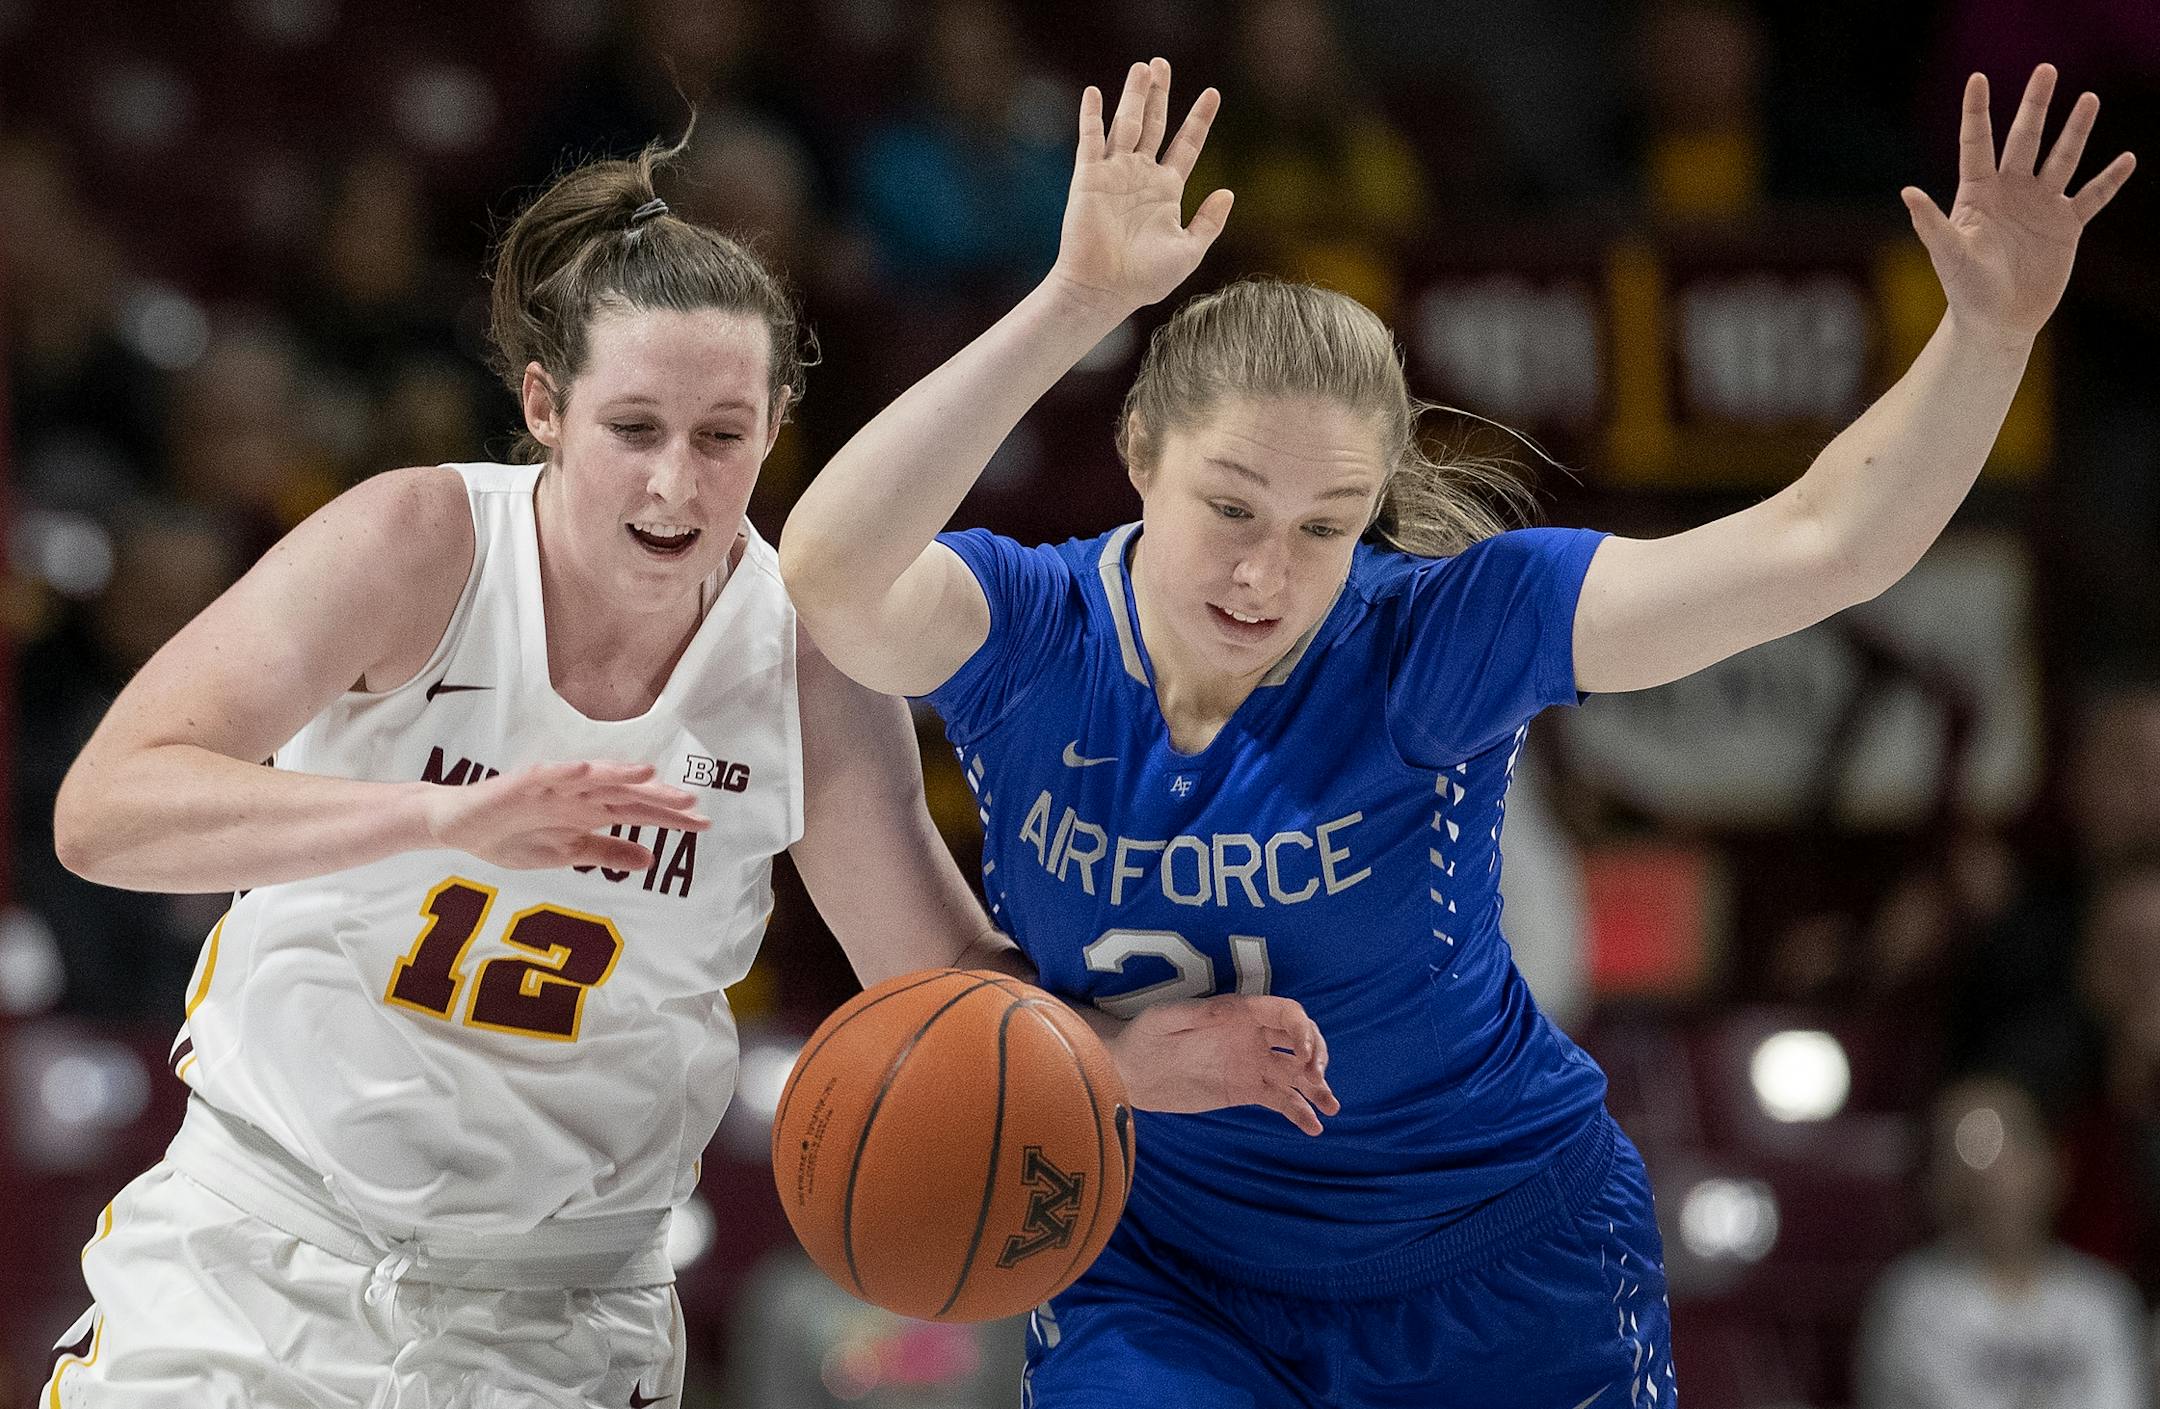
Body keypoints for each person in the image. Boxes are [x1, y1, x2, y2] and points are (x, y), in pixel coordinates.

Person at [779, 58, 2134, 1408]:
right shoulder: (1034, 629)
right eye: (1232, 506)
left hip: (1498, 1274)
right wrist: (1075, 299)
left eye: (1324, 526)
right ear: (1140, 449)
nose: (1266, 572)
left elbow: (1821, 544)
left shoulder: (1435, 638)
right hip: (1169, 1271)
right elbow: (829, 572)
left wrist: (1990, 338)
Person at [39, 140, 1319, 1408]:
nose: (675, 481)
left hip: (565, 1321)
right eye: (633, 427)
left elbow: (938, 980)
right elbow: (107, 810)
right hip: (263, 1256)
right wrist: (446, 813)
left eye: (722, 435)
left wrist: (1130, 1053)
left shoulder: (801, 653)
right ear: (544, 406)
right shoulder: (416, 542)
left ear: (774, 427)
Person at [1855, 1076, 2149, 1409]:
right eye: (1959, 1149)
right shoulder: (1914, 1301)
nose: (1985, 1173)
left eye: (2006, 1144)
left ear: (2054, 1163)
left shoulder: (2102, 1301)